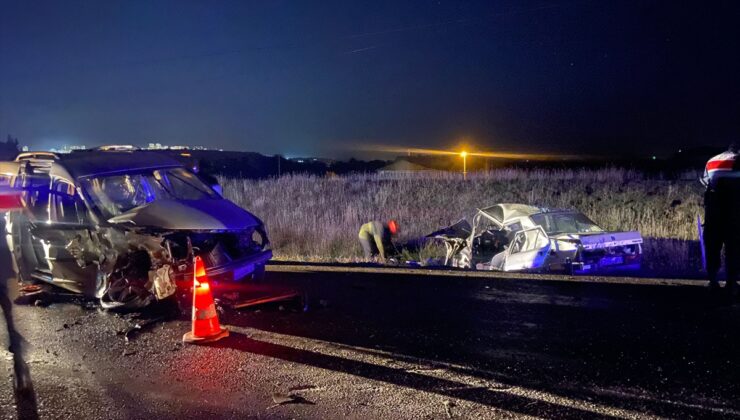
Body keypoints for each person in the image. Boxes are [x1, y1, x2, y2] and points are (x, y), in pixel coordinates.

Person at [702, 143, 739, 292]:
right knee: (734, 247)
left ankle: (712, 280)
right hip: (734, 211)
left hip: (713, 211)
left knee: (712, 245)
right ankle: (731, 281)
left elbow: (706, 183)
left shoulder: (712, 161)